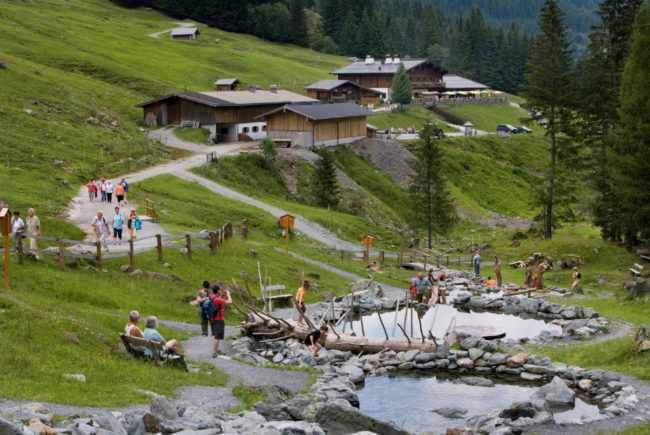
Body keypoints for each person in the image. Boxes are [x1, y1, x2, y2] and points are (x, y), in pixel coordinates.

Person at [209, 285, 232, 358]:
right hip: (218, 319)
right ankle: (215, 352)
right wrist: (228, 295)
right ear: (218, 290)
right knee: (217, 336)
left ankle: (217, 350)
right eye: (220, 290)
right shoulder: (218, 300)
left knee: (217, 335)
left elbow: (218, 302)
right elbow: (230, 302)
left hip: (213, 318)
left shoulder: (212, 297)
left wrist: (222, 295)